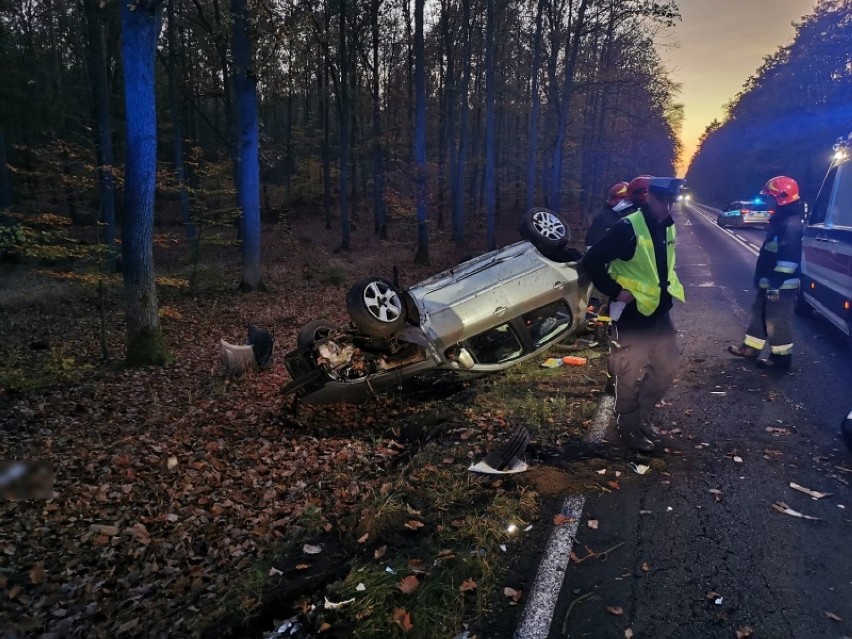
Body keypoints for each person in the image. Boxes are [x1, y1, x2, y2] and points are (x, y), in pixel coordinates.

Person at [583, 176, 686, 452]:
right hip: (632, 316)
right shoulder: (628, 228)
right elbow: (591, 260)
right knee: (626, 376)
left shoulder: (667, 226)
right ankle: (628, 429)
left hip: (659, 313)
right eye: (663, 201)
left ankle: (639, 417)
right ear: (648, 198)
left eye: (671, 202)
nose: (668, 207)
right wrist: (615, 291)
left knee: (666, 371)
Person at [727, 176, 804, 370]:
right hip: (769, 281)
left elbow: (789, 259)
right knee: (759, 314)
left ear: (782, 198)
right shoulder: (782, 219)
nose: (768, 201)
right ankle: (750, 349)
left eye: (771, 197)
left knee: (777, 320)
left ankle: (780, 360)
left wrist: (776, 284)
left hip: (780, 284)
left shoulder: (791, 224)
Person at [585, 181, 634, 250]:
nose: (611, 201)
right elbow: (591, 243)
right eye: (612, 197)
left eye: (614, 197)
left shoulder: (631, 214)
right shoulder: (603, 217)